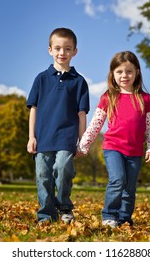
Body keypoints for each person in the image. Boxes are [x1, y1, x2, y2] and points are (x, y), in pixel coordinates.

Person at [76, 51, 150, 228]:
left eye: (129, 71)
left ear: (137, 72)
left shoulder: (145, 99)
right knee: (118, 179)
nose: (124, 76)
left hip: (135, 151)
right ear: (112, 74)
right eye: (119, 71)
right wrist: (84, 144)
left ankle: (124, 218)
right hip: (113, 148)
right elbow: (96, 123)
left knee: (129, 188)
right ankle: (109, 216)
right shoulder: (109, 97)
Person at [27, 27, 90, 224]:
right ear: (50, 50)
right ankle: (46, 214)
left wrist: (82, 141)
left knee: (63, 169)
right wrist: (31, 137)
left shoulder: (79, 82)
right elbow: (33, 109)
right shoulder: (41, 78)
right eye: (58, 48)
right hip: (43, 137)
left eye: (67, 49)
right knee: (43, 176)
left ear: (75, 52)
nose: (62, 53)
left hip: (67, 137)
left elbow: (82, 114)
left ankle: (64, 207)